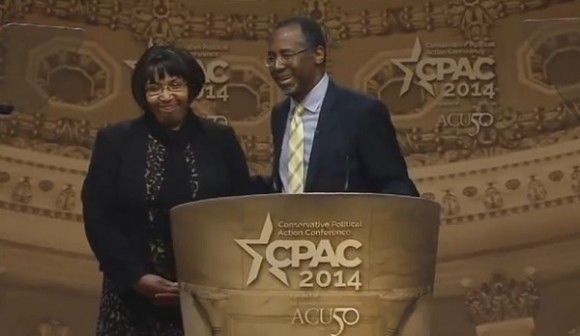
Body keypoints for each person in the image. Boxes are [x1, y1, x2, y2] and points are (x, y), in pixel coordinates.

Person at [81, 44, 252, 335]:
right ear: (143, 94)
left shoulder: (220, 139)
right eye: (154, 88)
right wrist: (136, 277)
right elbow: (98, 218)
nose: (165, 97)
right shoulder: (115, 141)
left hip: (204, 295)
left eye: (175, 85)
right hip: (130, 298)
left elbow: (240, 212)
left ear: (191, 88)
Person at [266, 16, 419, 196]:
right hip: (289, 224)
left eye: (286, 55)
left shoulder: (362, 112)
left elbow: (396, 186)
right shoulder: (280, 114)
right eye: (271, 58)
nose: (277, 66)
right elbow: (284, 182)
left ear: (318, 54)